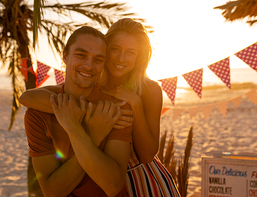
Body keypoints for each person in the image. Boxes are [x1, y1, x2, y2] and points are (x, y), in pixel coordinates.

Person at [21, 18, 180, 196]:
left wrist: (135, 105)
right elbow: (29, 97)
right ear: (106, 49)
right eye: (115, 49)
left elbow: (147, 155)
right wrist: (97, 111)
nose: (121, 58)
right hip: (97, 169)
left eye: (130, 53)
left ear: (139, 57)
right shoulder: (92, 81)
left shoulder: (148, 90)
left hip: (139, 176)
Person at [23, 26, 133, 197]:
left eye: (98, 59)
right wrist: (91, 135)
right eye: (81, 55)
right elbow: (52, 192)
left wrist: (75, 127)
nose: (89, 65)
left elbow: (113, 186)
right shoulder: (37, 114)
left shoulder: (117, 109)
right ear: (65, 55)